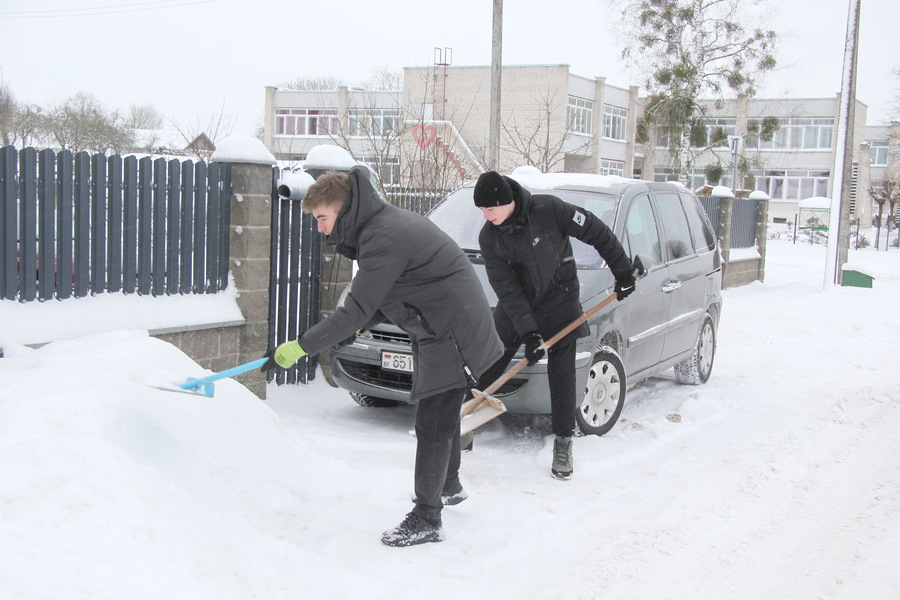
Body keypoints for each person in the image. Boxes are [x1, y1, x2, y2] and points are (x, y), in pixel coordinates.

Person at [263, 166, 503, 547]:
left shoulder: (381, 237)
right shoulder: (379, 227)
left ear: (343, 210)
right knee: (442, 413)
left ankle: (427, 517)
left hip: (452, 329)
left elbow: (356, 309)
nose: (321, 229)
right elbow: (385, 296)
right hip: (442, 323)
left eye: (322, 218)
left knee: (433, 421)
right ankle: (449, 485)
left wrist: (301, 346)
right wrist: (356, 325)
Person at [471, 171, 635, 480]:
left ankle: (563, 442)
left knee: (562, 373)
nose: (486, 215)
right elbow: (506, 288)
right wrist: (529, 332)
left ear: (506, 201)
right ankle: (465, 422)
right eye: (481, 210)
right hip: (517, 304)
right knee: (489, 359)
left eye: (489, 208)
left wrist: (623, 271)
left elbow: (596, 231)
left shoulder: (549, 210)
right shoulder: (489, 237)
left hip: (560, 299)